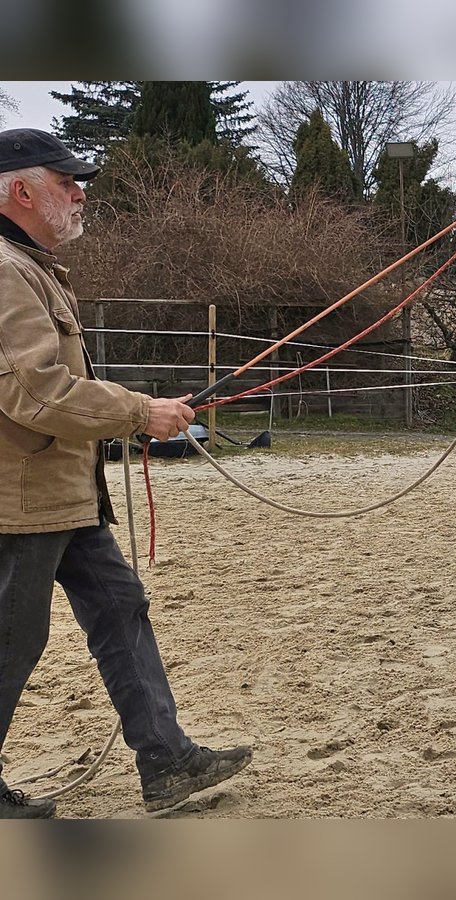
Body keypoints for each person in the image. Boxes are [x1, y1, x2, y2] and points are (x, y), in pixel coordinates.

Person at [0, 128, 252, 818]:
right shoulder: (3, 270)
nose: (82, 193)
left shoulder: (29, 266)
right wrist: (141, 411)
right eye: (66, 181)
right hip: (18, 503)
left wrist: (134, 412)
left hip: (63, 494)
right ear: (21, 190)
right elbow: (38, 392)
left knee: (119, 608)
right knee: (12, 640)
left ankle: (165, 759)